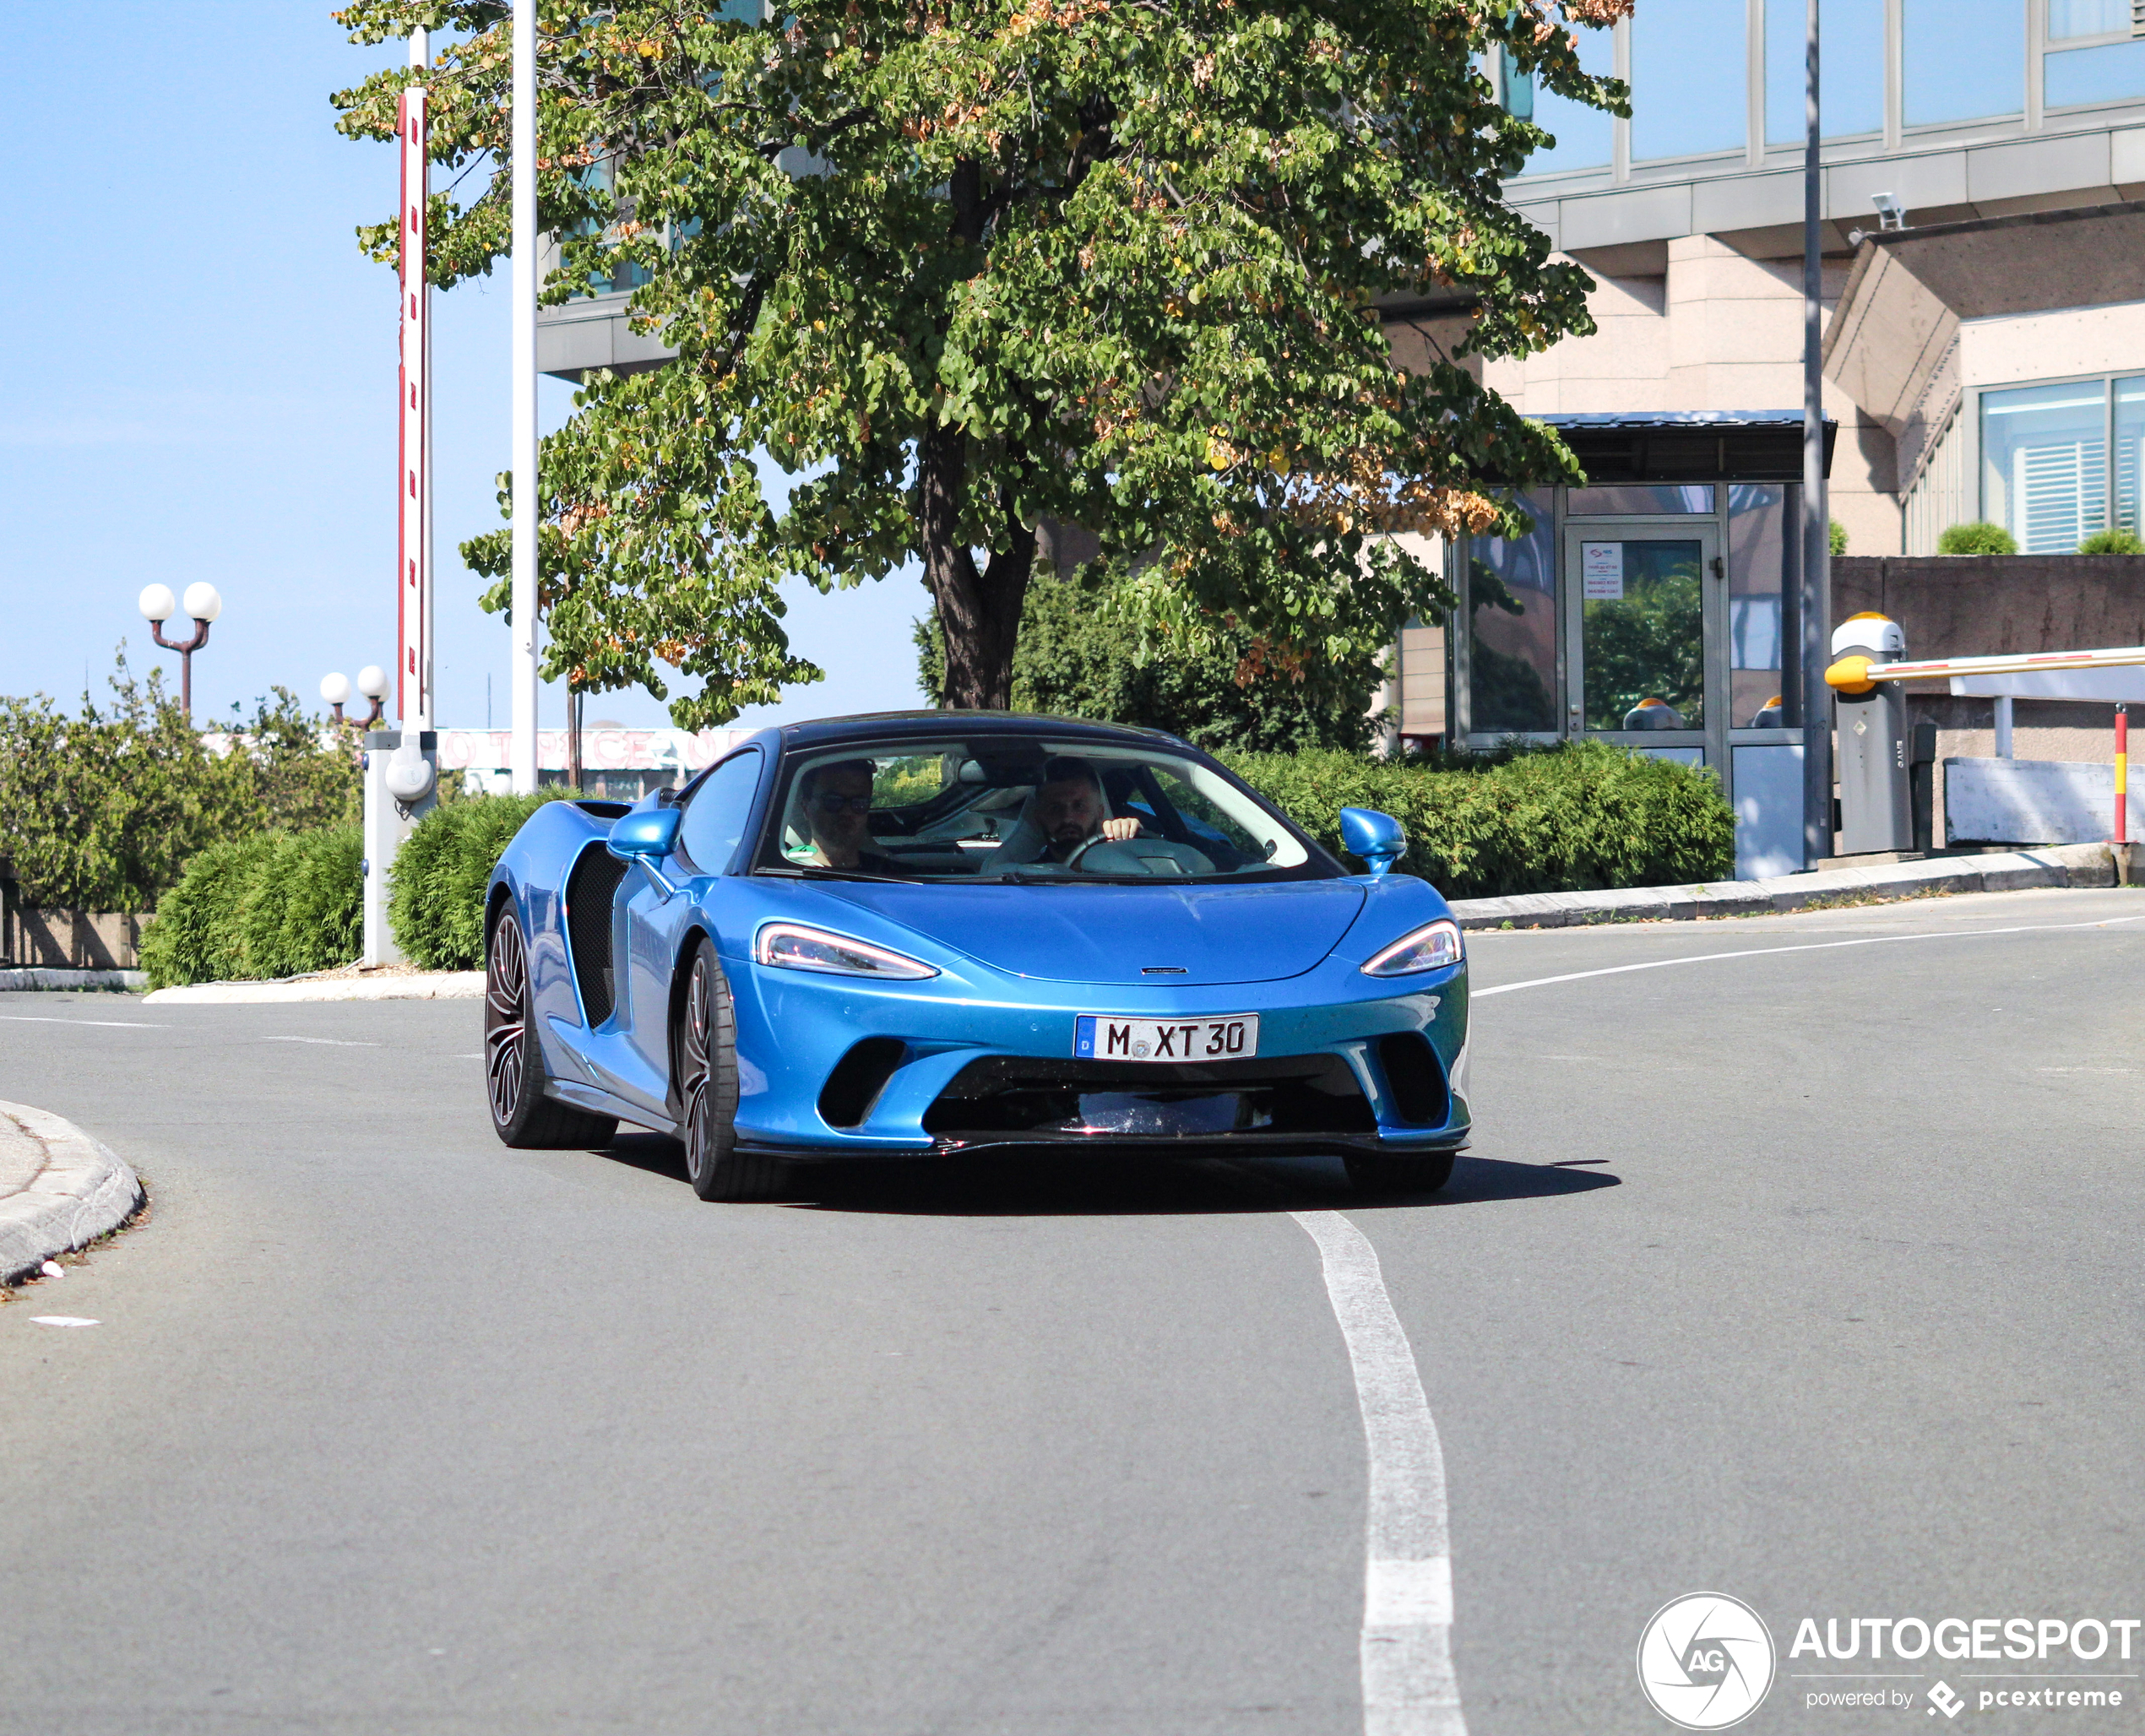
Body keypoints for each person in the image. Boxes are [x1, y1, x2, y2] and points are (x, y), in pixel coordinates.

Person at [997, 756, 1142, 865]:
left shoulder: (1122, 867)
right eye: (1055, 808)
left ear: (1100, 812)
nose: (1068, 818)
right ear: (1038, 816)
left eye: (1079, 806)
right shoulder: (1023, 880)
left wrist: (1135, 840)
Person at [796, 758, 899, 872]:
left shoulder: (891, 876)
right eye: (833, 801)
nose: (847, 812)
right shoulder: (787, 874)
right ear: (805, 808)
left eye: (859, 803)